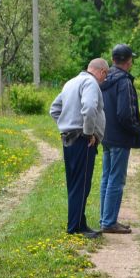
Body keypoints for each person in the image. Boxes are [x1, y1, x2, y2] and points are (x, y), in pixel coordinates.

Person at [50, 58, 109, 239]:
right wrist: (88, 132)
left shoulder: (71, 82)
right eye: (105, 77)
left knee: (75, 184)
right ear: (102, 72)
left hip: (69, 138)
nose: (104, 81)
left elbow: (54, 109)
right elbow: (90, 107)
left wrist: (66, 124)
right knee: (82, 184)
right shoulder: (90, 83)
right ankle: (75, 227)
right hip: (83, 140)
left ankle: (79, 222)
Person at [99, 44, 140, 234]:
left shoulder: (103, 79)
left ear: (113, 60)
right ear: (128, 61)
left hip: (105, 135)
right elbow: (125, 113)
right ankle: (109, 222)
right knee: (116, 180)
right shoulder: (124, 81)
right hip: (119, 137)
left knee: (106, 178)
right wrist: (134, 130)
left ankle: (105, 218)